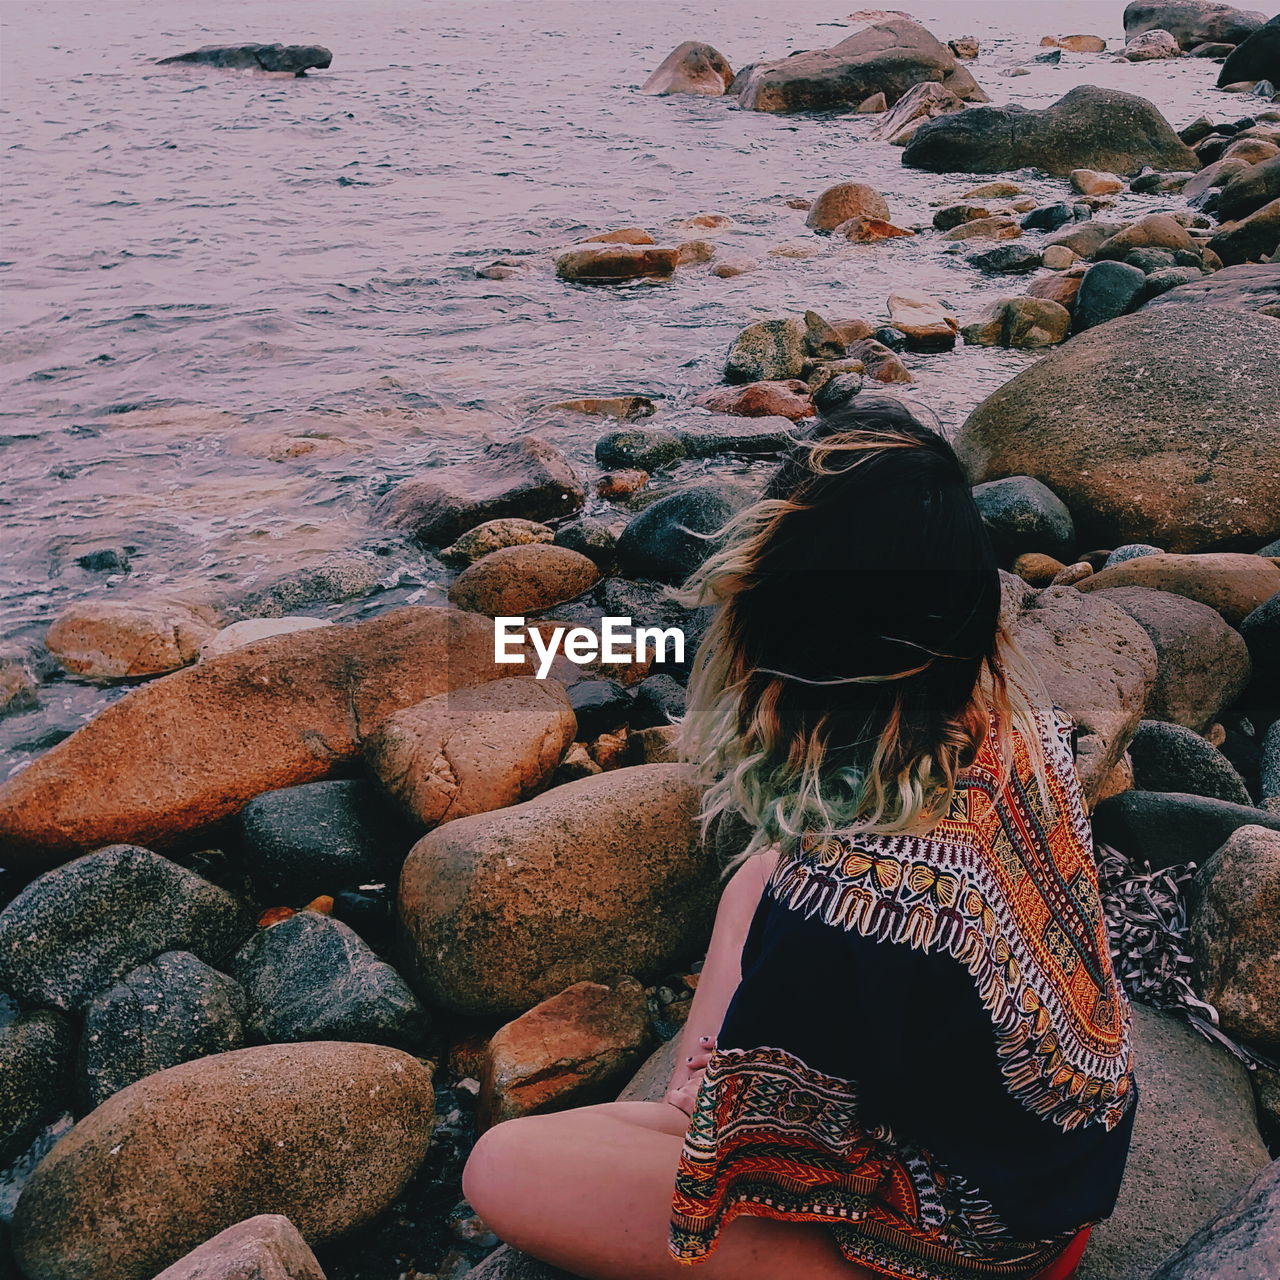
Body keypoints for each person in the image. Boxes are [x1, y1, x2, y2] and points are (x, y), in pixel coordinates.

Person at [463, 398, 1137, 1280]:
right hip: (1058, 1143)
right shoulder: (1003, 720)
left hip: (975, 1235)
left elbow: (794, 1152)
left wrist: (724, 1099)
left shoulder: (851, 903)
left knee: (503, 1168)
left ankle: (698, 1111)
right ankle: (694, 1100)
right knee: (761, 874)